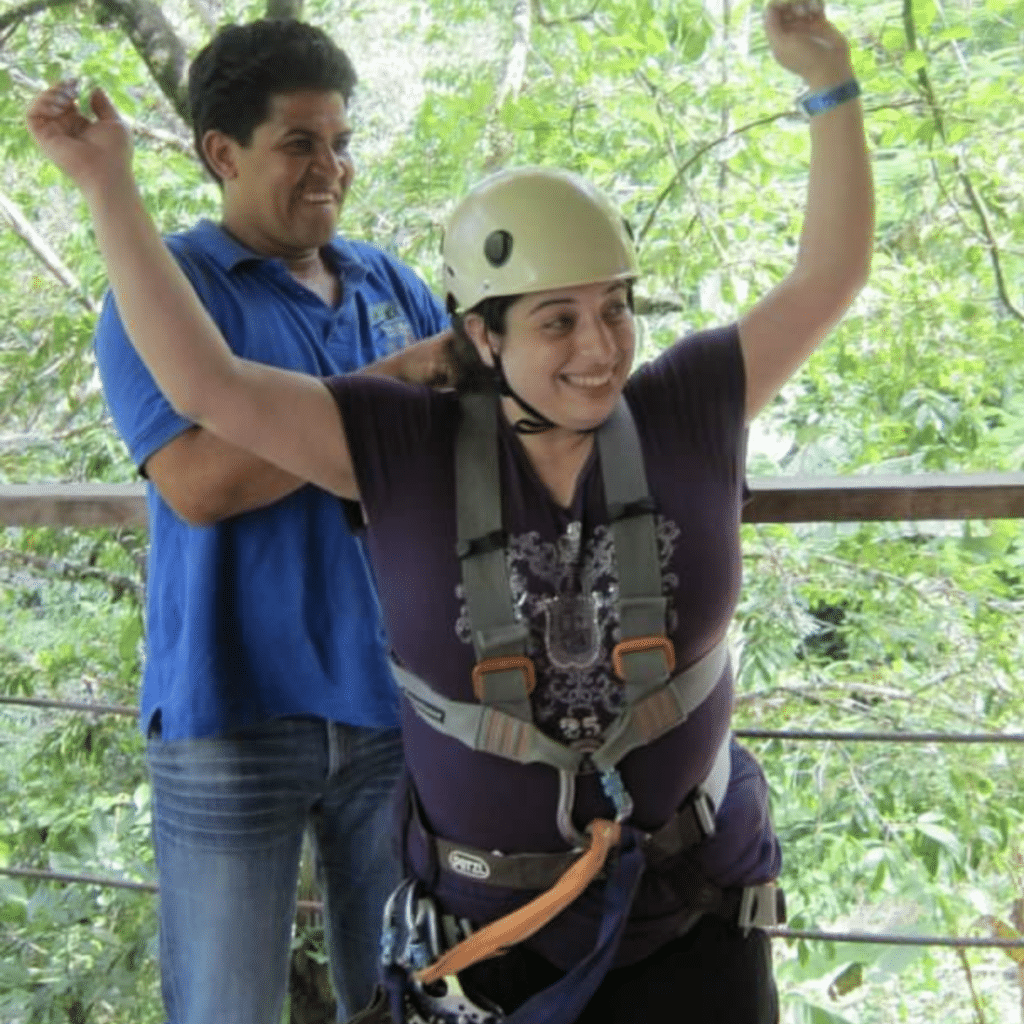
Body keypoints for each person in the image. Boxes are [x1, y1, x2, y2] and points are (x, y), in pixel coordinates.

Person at [27, 1, 872, 1019]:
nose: (599, 348)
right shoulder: (407, 443)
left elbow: (828, 278)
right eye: (556, 320)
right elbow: (210, 401)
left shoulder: (679, 405)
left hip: (677, 908)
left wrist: (828, 83)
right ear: (480, 334)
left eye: (614, 310)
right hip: (428, 883)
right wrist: (107, 188)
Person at [73, 19, 450, 1024]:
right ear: (222, 154)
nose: (331, 168)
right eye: (300, 144)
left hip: (398, 703)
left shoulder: (390, 286)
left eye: (339, 142)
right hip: (229, 710)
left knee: (410, 995)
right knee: (226, 1005)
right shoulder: (164, 295)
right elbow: (199, 481)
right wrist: (385, 391)